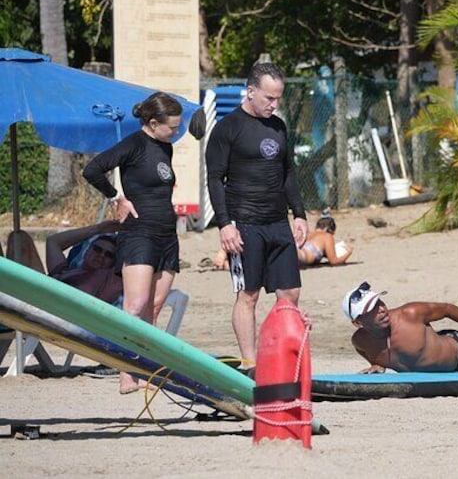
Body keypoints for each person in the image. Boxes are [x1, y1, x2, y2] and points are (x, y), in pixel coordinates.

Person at [205, 62, 308, 370]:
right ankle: (250, 363)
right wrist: (224, 225)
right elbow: (214, 179)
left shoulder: (278, 126)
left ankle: (278, 355)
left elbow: (287, 172)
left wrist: (299, 214)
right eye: (269, 98)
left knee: (290, 292)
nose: (274, 105)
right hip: (243, 223)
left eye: (278, 99)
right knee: (248, 295)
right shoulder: (228, 128)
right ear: (250, 92)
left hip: (277, 221)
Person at [83, 91, 184, 394]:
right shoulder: (133, 144)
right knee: (135, 305)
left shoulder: (165, 146)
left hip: (167, 235)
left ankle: (147, 368)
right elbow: (92, 169)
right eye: (172, 127)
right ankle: (126, 371)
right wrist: (116, 197)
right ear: (153, 123)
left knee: (154, 306)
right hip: (139, 233)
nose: (176, 132)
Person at [45, 220, 123, 305]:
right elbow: (53, 241)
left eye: (109, 255)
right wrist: (98, 229)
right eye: (97, 249)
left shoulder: (108, 282)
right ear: (86, 252)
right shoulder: (65, 271)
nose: (101, 255)